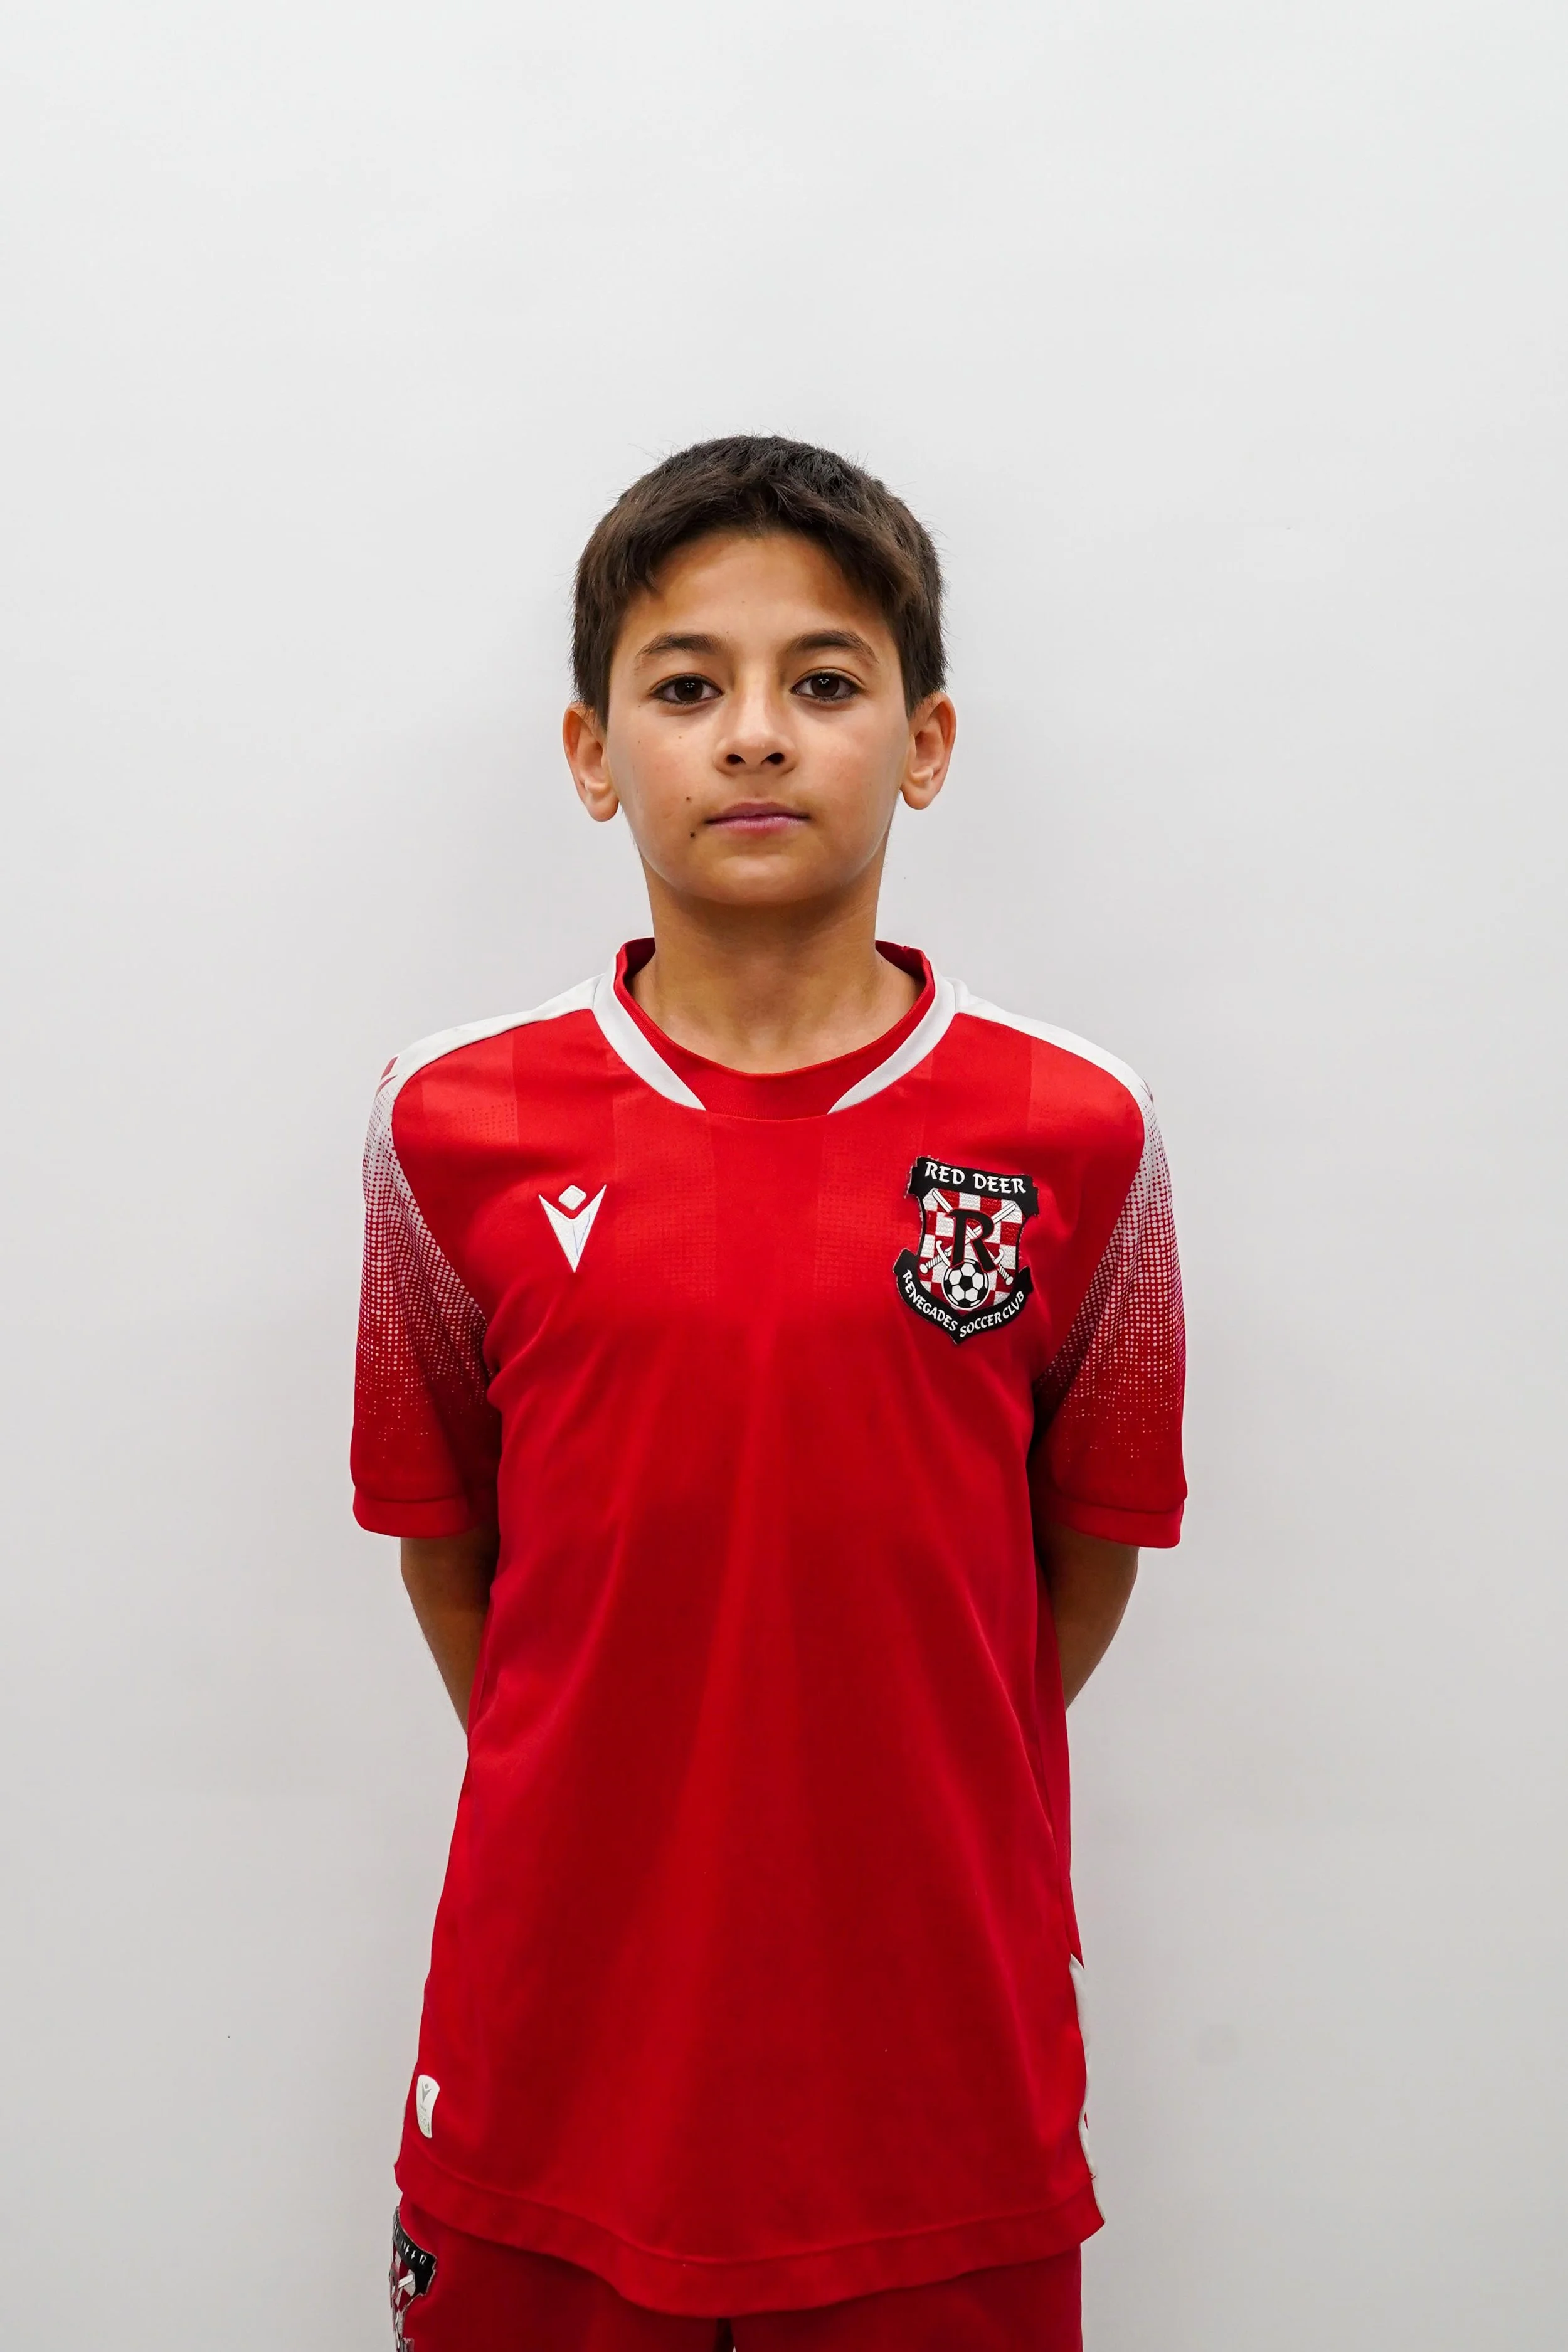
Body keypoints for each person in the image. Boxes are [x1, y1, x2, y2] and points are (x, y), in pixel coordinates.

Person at [353, 435, 1187, 2351]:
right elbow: (454, 1559)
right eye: (685, 684)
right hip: (556, 2059)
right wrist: (636, 1770)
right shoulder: (445, 1126)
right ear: (591, 754)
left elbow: (1070, 1569)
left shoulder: (1078, 1132)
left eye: (821, 680)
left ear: (925, 739)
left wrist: (860, 1754)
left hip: (933, 2079)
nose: (752, 734)